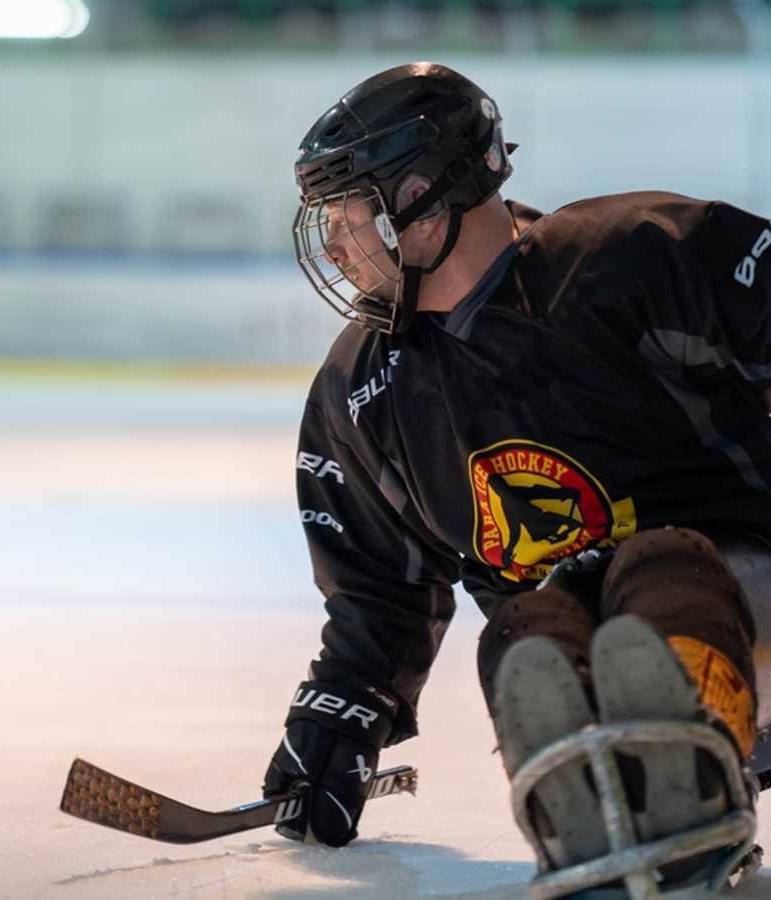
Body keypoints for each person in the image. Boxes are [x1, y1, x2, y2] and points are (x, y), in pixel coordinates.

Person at [260, 60, 771, 898]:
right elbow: (381, 586)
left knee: (657, 566)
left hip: (739, 595)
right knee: (526, 626)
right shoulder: (362, 390)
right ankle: (602, 825)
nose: (337, 246)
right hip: (586, 624)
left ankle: (689, 779)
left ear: (424, 201)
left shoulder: (633, 259)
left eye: (350, 215)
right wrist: (343, 708)